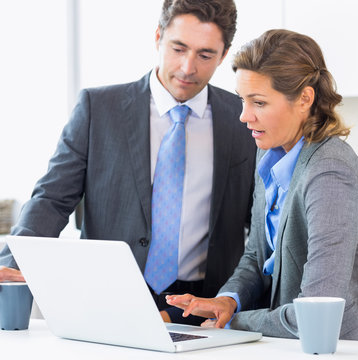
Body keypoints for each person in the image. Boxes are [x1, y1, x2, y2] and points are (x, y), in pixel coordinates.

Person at [0, 0, 256, 325]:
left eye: (205, 55)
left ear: (224, 53)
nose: (188, 67)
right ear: (158, 37)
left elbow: (259, 224)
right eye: (178, 48)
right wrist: (13, 265)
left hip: (201, 309)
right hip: (107, 297)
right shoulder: (98, 108)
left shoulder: (243, 119)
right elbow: (51, 200)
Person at [165, 29, 358, 341]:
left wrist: (236, 323)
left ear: (304, 99)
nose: (244, 116)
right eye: (243, 100)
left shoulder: (329, 174)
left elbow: (315, 313)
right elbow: (257, 257)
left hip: (336, 347)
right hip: (283, 345)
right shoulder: (269, 154)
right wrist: (227, 302)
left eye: (258, 102)